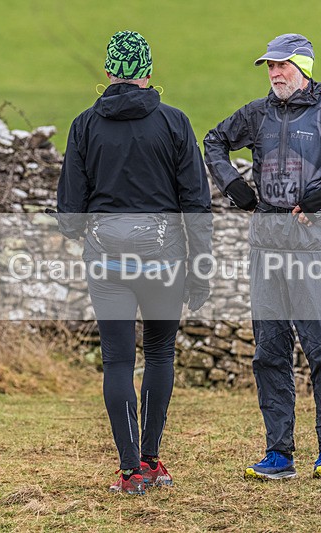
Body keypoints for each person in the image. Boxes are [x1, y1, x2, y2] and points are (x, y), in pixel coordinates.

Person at [204, 33, 321, 480]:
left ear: (304, 67)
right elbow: (213, 142)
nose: (274, 74)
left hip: (314, 251)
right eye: (269, 67)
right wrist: (234, 187)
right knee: (269, 353)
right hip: (265, 250)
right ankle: (279, 455)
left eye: (281, 66)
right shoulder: (256, 114)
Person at [56, 30, 212, 495]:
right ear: (148, 72)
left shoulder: (84, 126)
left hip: (107, 262)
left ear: (108, 72)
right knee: (161, 353)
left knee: (118, 362)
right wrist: (199, 269)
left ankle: (129, 473)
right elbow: (196, 205)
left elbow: (70, 214)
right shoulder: (175, 123)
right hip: (165, 258)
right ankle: (153, 459)